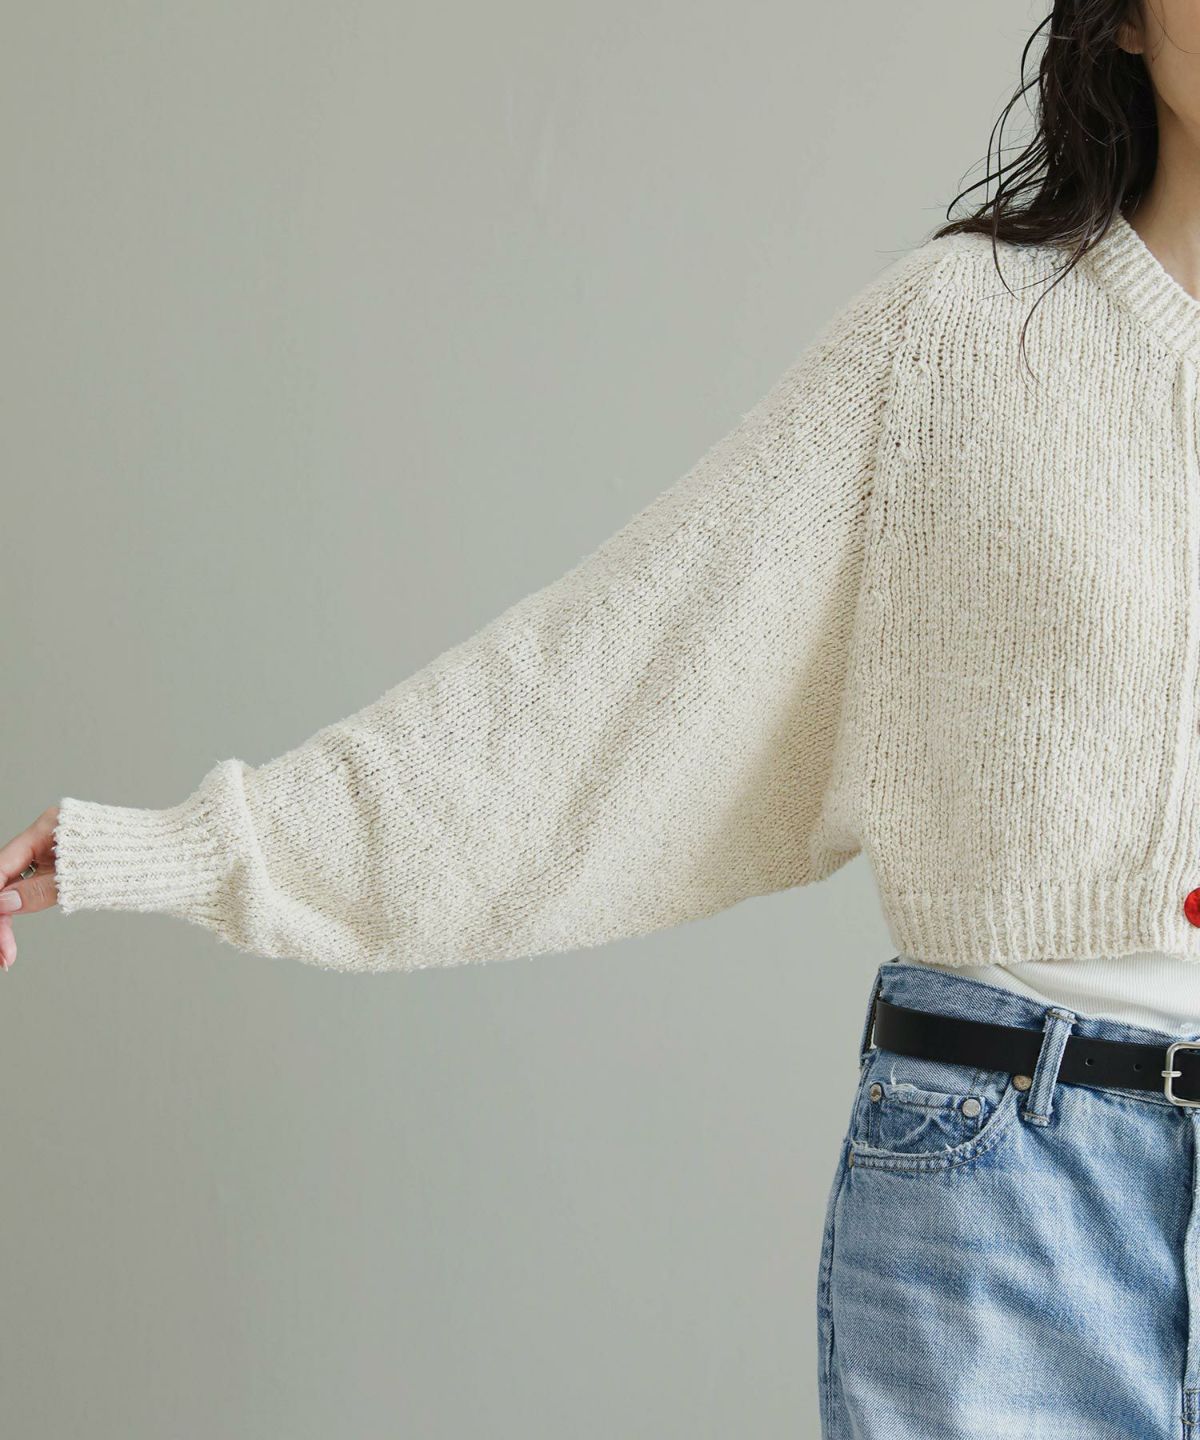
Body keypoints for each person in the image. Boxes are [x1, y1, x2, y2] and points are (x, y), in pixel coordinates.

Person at [7, 2, 1200, 1433]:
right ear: (1122, 22)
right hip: (1004, 1205)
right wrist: (200, 848)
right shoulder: (956, 342)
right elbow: (606, 686)